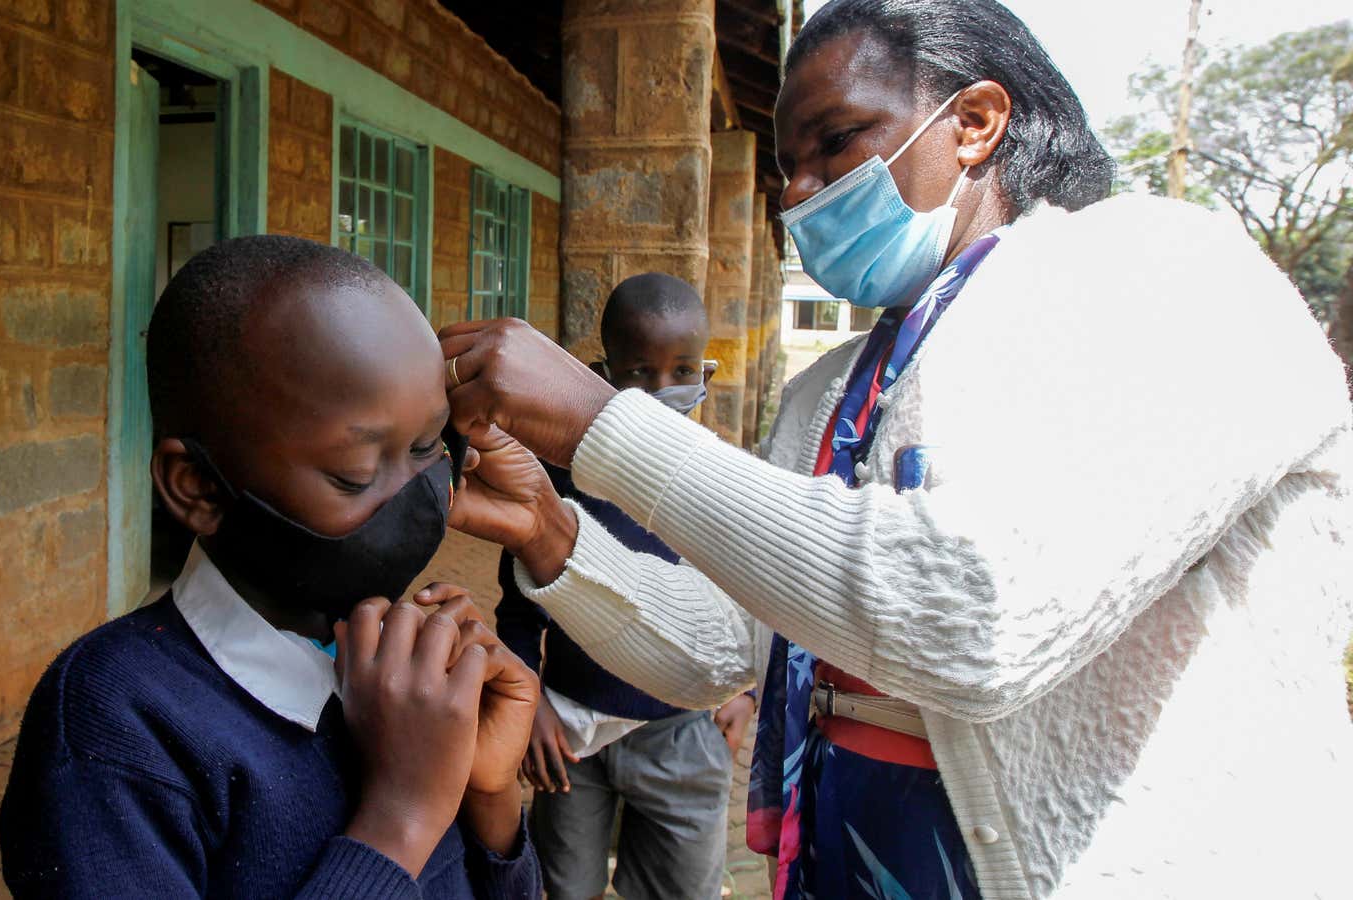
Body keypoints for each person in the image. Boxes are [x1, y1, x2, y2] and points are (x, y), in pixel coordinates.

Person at [432, 2, 1353, 898]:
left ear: (977, 123)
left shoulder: (1166, 281)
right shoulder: (836, 387)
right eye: (789, 165)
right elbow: (734, 646)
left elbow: (979, 618)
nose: (797, 193)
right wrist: (553, 530)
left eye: (836, 141)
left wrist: (602, 424)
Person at [0, 236, 542, 899]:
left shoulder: (413, 673)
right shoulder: (114, 726)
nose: (415, 493)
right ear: (196, 485)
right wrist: (402, 816)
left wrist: (490, 798)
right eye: (356, 473)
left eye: (430, 446)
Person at [495, 273, 754, 900]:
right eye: (640, 373)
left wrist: (747, 692)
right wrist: (528, 702)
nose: (663, 390)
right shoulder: (559, 485)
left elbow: (753, 599)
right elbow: (519, 610)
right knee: (563, 884)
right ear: (601, 376)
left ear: (706, 376)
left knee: (680, 888)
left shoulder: (725, 481)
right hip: (571, 739)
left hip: (682, 733)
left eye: (682, 370)